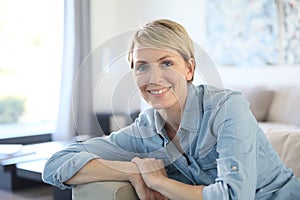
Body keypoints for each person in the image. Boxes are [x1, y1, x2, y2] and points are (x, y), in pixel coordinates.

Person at [42, 19, 300, 200]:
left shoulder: (226, 108)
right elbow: (55, 165)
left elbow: (233, 195)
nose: (153, 78)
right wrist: (134, 170)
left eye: (166, 63)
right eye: (142, 66)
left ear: (189, 69)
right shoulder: (144, 131)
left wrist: (159, 182)